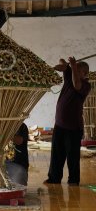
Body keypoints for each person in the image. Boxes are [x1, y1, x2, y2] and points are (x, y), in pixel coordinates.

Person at [44, 57, 91, 186]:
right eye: (76, 70)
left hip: (74, 128)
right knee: (56, 154)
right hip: (59, 125)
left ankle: (73, 181)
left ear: (85, 74)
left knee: (72, 157)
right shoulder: (71, 76)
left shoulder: (86, 85)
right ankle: (54, 178)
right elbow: (62, 64)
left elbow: (77, 85)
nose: (76, 72)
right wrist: (63, 64)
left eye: (79, 71)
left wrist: (73, 66)